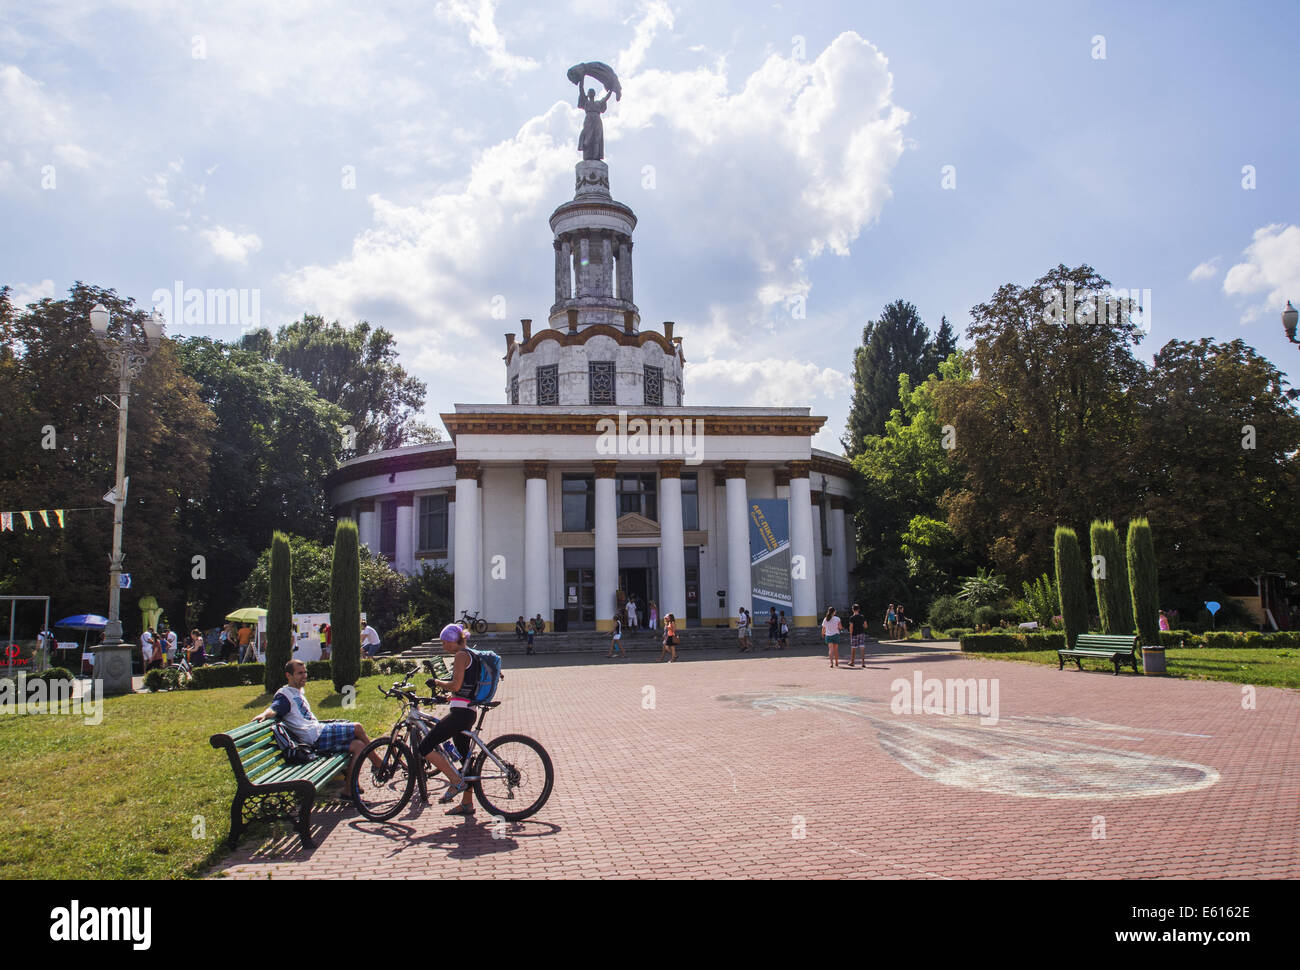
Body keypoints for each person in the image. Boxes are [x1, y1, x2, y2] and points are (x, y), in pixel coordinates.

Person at [254, 660, 381, 780]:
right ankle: (379, 764)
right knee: (357, 728)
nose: (304, 676)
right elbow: (274, 708)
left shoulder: (298, 692)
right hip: (315, 737)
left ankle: (349, 790)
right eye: (300, 673)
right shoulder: (284, 695)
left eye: (305, 672)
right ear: (289, 675)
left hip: (317, 733)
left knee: (358, 746)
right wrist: (264, 714)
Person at [419, 624, 483, 816]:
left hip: (461, 714)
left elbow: (456, 684)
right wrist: (449, 698)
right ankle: (467, 804)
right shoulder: (472, 654)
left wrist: (437, 682)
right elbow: (465, 687)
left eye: (444, 641)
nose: (443, 645)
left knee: (424, 747)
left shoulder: (461, 655)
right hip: (467, 710)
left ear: (453, 640)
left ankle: (456, 782)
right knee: (465, 759)